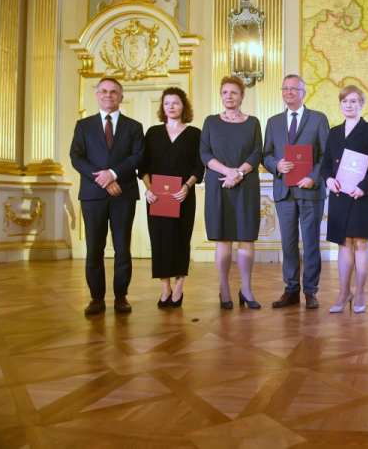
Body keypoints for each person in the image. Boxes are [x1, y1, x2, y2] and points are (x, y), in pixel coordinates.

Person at [69, 77, 145, 316]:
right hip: (93, 195)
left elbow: (138, 157)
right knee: (94, 249)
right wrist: (101, 179)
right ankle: (96, 298)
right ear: (97, 95)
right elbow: (76, 157)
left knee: (123, 248)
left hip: (123, 193)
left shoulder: (134, 127)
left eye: (113, 92)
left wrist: (113, 174)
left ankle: (121, 297)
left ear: (121, 97)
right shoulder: (83, 125)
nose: (108, 95)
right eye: (103, 91)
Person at [263, 74, 330, 309]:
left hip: (310, 191)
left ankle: (310, 291)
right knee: (288, 243)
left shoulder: (319, 119)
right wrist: (276, 166)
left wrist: (313, 178)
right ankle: (291, 290)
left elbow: (326, 155)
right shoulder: (273, 122)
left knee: (311, 242)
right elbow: (266, 155)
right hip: (284, 191)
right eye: (285, 88)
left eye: (294, 88)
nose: (289, 92)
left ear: (304, 92)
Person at [200, 76, 263, 310]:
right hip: (218, 184)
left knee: (246, 237)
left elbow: (257, 153)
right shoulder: (210, 122)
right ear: (221, 95)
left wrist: (238, 173)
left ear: (242, 96)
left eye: (233, 92)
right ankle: (224, 288)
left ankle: (246, 289)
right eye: (225, 92)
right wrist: (228, 172)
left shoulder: (253, 122)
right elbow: (204, 153)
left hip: (245, 185)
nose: (229, 96)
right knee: (223, 238)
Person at [139, 87, 204, 308]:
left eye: (175, 102)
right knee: (160, 241)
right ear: (162, 107)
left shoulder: (195, 134)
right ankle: (165, 287)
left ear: (183, 106)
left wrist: (187, 186)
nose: (171, 107)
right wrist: (148, 189)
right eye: (167, 103)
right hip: (156, 198)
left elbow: (199, 165)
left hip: (183, 196)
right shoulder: (153, 133)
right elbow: (143, 166)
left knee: (180, 240)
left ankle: (179, 287)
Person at [320, 85, 368, 313]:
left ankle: (361, 293)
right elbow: (326, 163)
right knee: (344, 244)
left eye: (353, 101)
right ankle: (344, 292)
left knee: (362, 244)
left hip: (361, 195)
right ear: (340, 104)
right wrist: (327, 179)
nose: (348, 105)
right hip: (339, 194)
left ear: (361, 104)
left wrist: (364, 187)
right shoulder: (334, 132)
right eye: (345, 101)